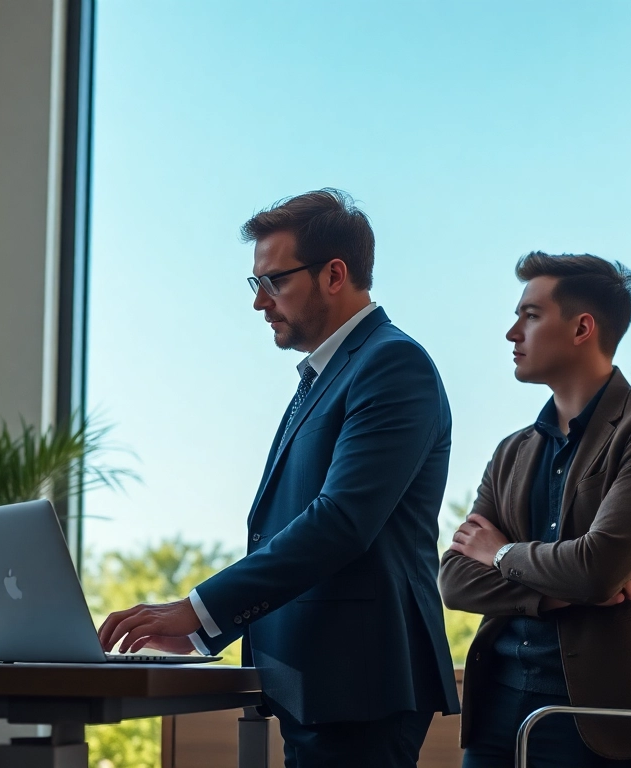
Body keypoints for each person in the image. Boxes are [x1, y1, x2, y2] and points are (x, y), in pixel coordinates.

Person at [98, 189, 460, 768]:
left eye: (274, 282)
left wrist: (197, 609)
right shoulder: (324, 375)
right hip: (313, 681)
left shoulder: (393, 364)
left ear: (334, 274)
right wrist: (200, 636)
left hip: (359, 682)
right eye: (255, 284)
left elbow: (340, 522)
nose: (260, 302)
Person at [440, 252, 631, 768]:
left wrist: (501, 553)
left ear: (583, 327)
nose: (512, 332)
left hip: (597, 718)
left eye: (531, 316)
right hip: (494, 709)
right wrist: (562, 591)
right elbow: (453, 580)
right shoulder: (512, 451)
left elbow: (596, 569)